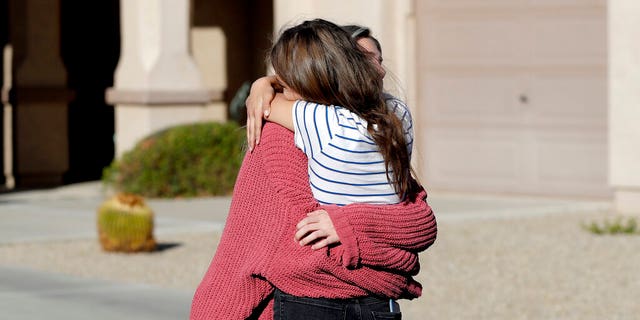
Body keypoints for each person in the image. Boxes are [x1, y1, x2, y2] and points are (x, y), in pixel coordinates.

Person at [190, 19, 437, 320]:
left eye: (377, 59)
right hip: (362, 305)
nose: (379, 70)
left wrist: (263, 85)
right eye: (364, 59)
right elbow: (417, 221)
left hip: (321, 304)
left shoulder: (325, 128)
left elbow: (421, 222)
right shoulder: (392, 122)